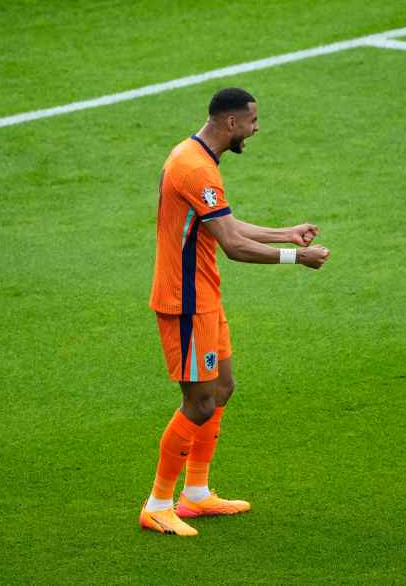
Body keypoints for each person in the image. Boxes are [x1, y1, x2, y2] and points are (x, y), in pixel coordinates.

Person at [140, 87, 330, 536]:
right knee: (199, 401)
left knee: (221, 387)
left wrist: (287, 233)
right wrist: (296, 259)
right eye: (252, 121)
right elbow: (233, 245)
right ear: (231, 123)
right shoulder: (196, 169)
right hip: (184, 303)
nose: (256, 128)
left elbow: (224, 223)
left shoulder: (196, 157)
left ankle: (197, 494)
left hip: (203, 297)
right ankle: (158, 504)